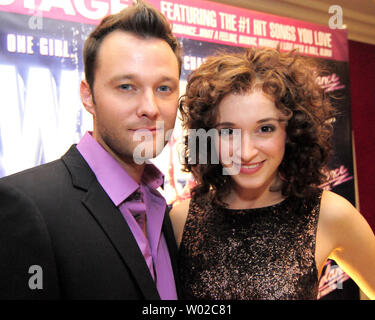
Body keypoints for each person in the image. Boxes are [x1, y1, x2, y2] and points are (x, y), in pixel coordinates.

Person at [0, 0, 182, 300]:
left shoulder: (162, 209)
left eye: (164, 88)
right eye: (126, 86)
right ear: (88, 96)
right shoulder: (27, 206)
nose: (150, 108)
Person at [170, 47, 375, 300]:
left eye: (265, 128)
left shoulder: (330, 215)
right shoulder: (181, 219)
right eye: (228, 131)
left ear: (291, 132)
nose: (246, 152)